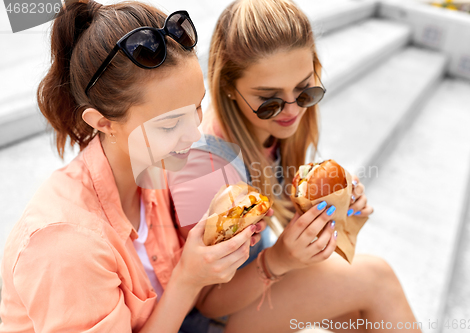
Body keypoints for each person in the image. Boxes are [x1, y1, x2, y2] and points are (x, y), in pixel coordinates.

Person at [0, 1, 268, 332]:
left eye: (197, 108)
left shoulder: (154, 168)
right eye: (170, 125)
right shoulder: (64, 246)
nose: (194, 134)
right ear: (103, 122)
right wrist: (188, 277)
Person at [169, 0, 423, 332]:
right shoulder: (207, 166)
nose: (291, 110)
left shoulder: (272, 127)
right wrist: (278, 261)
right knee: (377, 279)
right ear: (228, 88)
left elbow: (287, 217)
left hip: (254, 289)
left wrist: (336, 211)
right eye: (269, 99)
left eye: (305, 90)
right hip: (211, 317)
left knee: (369, 315)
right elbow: (205, 301)